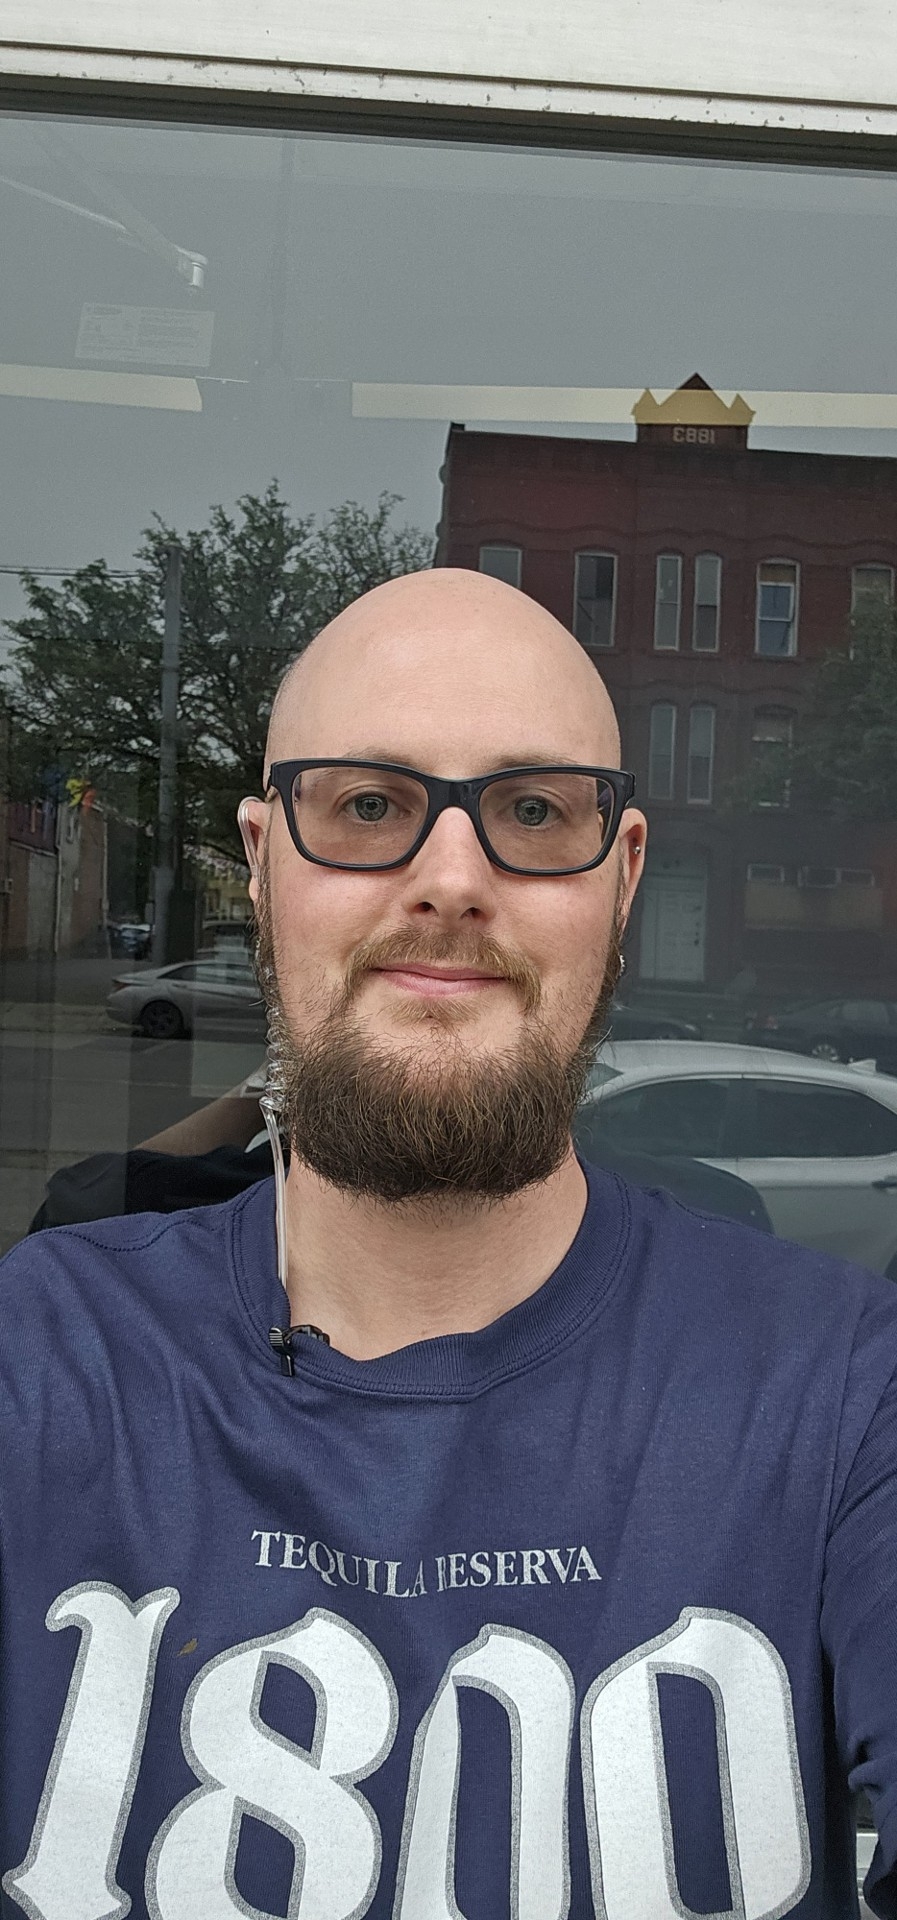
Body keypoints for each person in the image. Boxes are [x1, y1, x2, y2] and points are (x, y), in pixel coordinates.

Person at [0, 567, 893, 1919]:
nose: (452, 880)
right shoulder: (43, 1359)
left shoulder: (844, 1393)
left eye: (534, 811)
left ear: (622, 876)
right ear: (260, 861)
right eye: (368, 805)